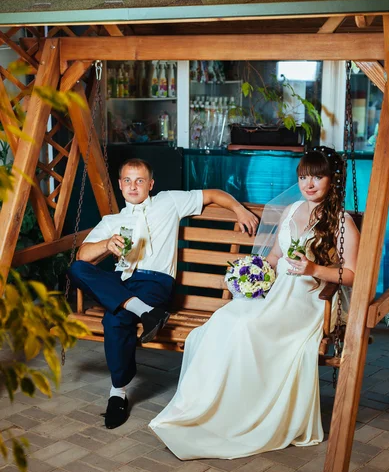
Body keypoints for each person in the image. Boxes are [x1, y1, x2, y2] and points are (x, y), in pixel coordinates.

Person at [149, 147, 360, 460]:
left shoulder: (342, 222)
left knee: (247, 327)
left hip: (309, 299)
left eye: (318, 176)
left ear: (333, 179)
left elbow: (354, 275)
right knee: (222, 322)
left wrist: (314, 269)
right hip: (278, 293)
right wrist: (253, 272)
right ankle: (215, 412)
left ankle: (244, 418)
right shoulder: (291, 212)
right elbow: (275, 257)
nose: (309, 183)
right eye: (304, 177)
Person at [68, 158, 258, 429]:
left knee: (114, 318)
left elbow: (213, 194)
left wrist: (239, 210)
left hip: (154, 283)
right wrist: (107, 244)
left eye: (140, 180)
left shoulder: (169, 202)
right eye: (128, 180)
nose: (133, 186)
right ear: (120, 185)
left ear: (150, 184)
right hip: (123, 282)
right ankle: (144, 312)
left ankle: (117, 393)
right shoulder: (112, 221)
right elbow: (83, 255)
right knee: (77, 268)